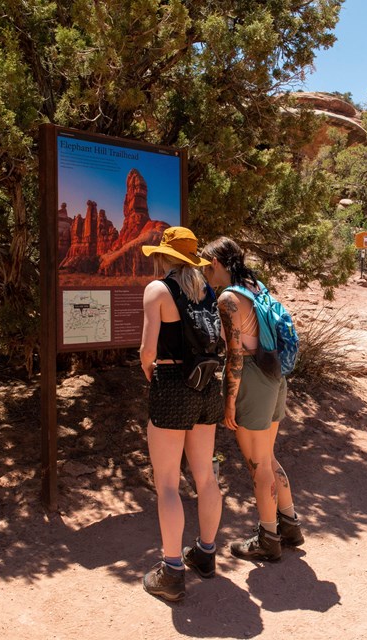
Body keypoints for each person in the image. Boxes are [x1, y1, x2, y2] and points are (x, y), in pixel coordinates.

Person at [201, 236, 304, 562]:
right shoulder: (255, 286)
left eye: (205, 265)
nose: (204, 271)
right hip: (274, 375)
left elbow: (233, 355)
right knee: (268, 457)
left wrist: (229, 401)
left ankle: (268, 538)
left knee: (258, 465)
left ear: (216, 263)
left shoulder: (229, 298)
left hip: (252, 379)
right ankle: (288, 524)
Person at [139, 227, 223, 601]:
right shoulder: (207, 291)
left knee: (168, 483)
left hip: (173, 382)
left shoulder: (158, 290)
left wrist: (154, 375)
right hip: (207, 385)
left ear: (163, 256)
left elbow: (146, 351)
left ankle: (172, 570)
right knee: (205, 477)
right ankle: (205, 554)